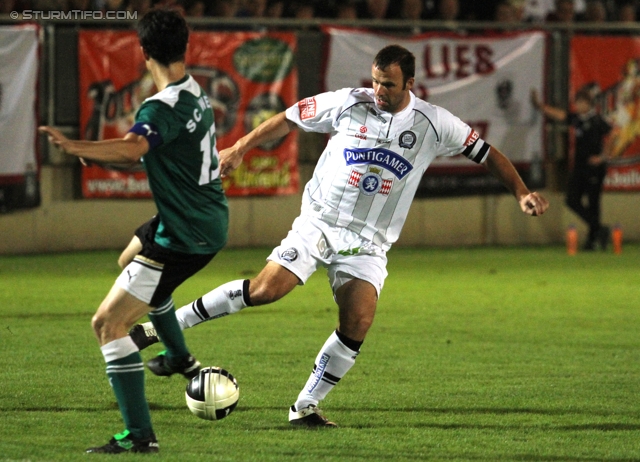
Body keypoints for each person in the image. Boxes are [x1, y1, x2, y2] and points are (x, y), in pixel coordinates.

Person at [131, 44, 549, 428]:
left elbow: (488, 153)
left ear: (410, 84)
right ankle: (161, 329)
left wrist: (522, 192)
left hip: (369, 242)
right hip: (320, 222)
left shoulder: (434, 124)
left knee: (358, 321)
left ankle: (304, 408)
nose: (378, 89)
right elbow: (288, 118)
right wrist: (240, 148)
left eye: (388, 83)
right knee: (265, 290)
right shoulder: (349, 102)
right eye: (375, 80)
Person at [39, 8, 228, 453]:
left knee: (108, 323)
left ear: (143, 52)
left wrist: (75, 147)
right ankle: (180, 356)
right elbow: (139, 149)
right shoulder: (193, 91)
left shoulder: (160, 105)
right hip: (200, 218)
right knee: (130, 260)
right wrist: (107, 152)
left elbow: (134, 149)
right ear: (185, 46)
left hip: (184, 233)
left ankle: (139, 437)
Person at [531, 88, 611, 250]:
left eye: (580, 103)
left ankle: (592, 240)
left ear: (588, 104)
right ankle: (600, 229)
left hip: (595, 168)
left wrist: (602, 157)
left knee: (593, 203)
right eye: (576, 103)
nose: (577, 106)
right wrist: (540, 106)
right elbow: (559, 115)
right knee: (572, 200)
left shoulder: (596, 120)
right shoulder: (577, 119)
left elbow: (613, 135)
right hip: (580, 166)